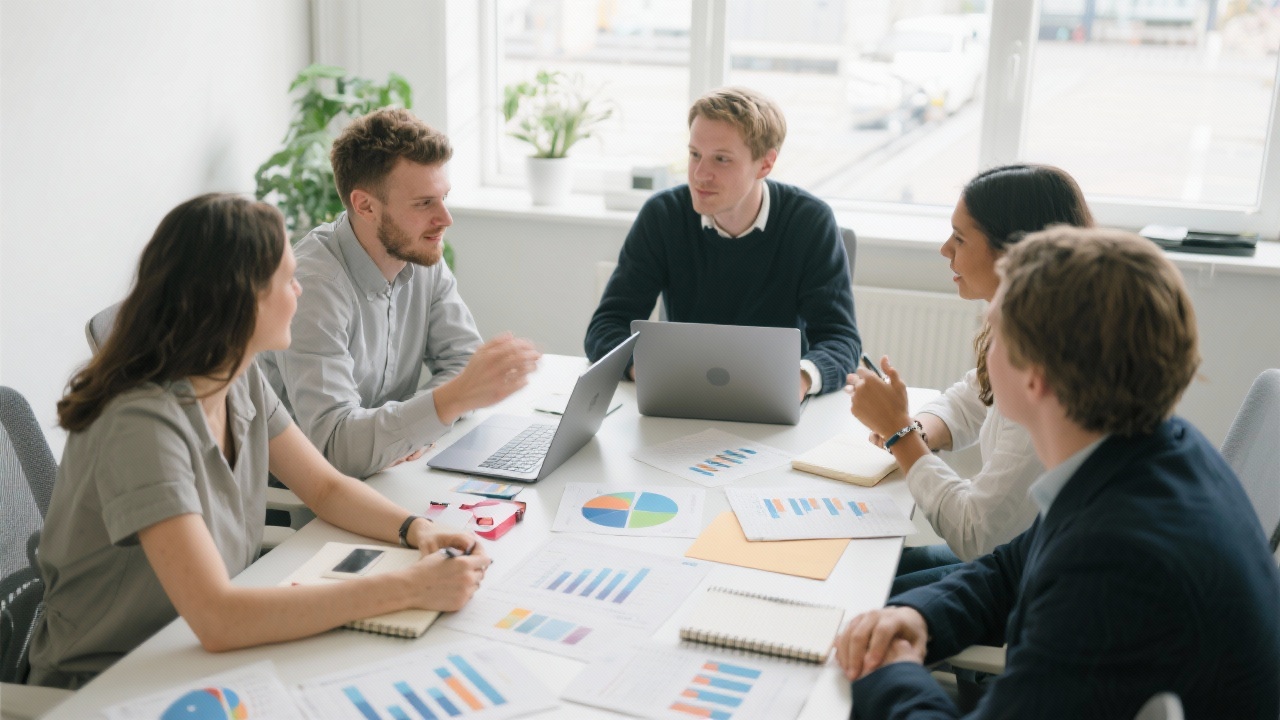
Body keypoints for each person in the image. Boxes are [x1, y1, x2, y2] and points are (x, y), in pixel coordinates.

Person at [30, 194, 491, 689]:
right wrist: (406, 588)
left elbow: (325, 489)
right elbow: (218, 617)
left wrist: (416, 530)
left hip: (194, 656)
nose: (300, 292)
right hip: (108, 681)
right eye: (288, 280)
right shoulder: (140, 424)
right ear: (240, 300)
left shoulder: (234, 374)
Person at [837, 227, 1280, 718]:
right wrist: (917, 616)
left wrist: (885, 669)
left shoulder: (1114, 567)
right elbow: (1010, 569)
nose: (984, 350)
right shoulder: (1151, 450)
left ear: (1035, 377)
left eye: (994, 330)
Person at [849, 164, 1094, 595]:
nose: (945, 250)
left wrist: (901, 435)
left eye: (960, 238)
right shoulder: (1037, 322)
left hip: (1027, 578)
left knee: (856, 589)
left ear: (1013, 253)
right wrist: (919, 429)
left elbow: (976, 535)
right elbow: (972, 397)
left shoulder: (1048, 380)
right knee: (861, 564)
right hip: (1016, 554)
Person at [259, 108, 541, 479]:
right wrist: (434, 411)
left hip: (389, 475)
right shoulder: (312, 286)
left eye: (444, 198)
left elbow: (461, 364)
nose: (445, 219)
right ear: (365, 206)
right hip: (313, 496)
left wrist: (413, 427)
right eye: (424, 203)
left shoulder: (420, 252)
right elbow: (336, 447)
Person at [583, 87, 859, 399]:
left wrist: (798, 380)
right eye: (695, 154)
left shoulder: (809, 222)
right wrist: (644, 369)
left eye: (722, 160)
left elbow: (840, 339)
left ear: (765, 164)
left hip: (774, 399)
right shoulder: (663, 216)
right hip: (683, 396)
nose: (700, 174)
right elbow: (605, 327)